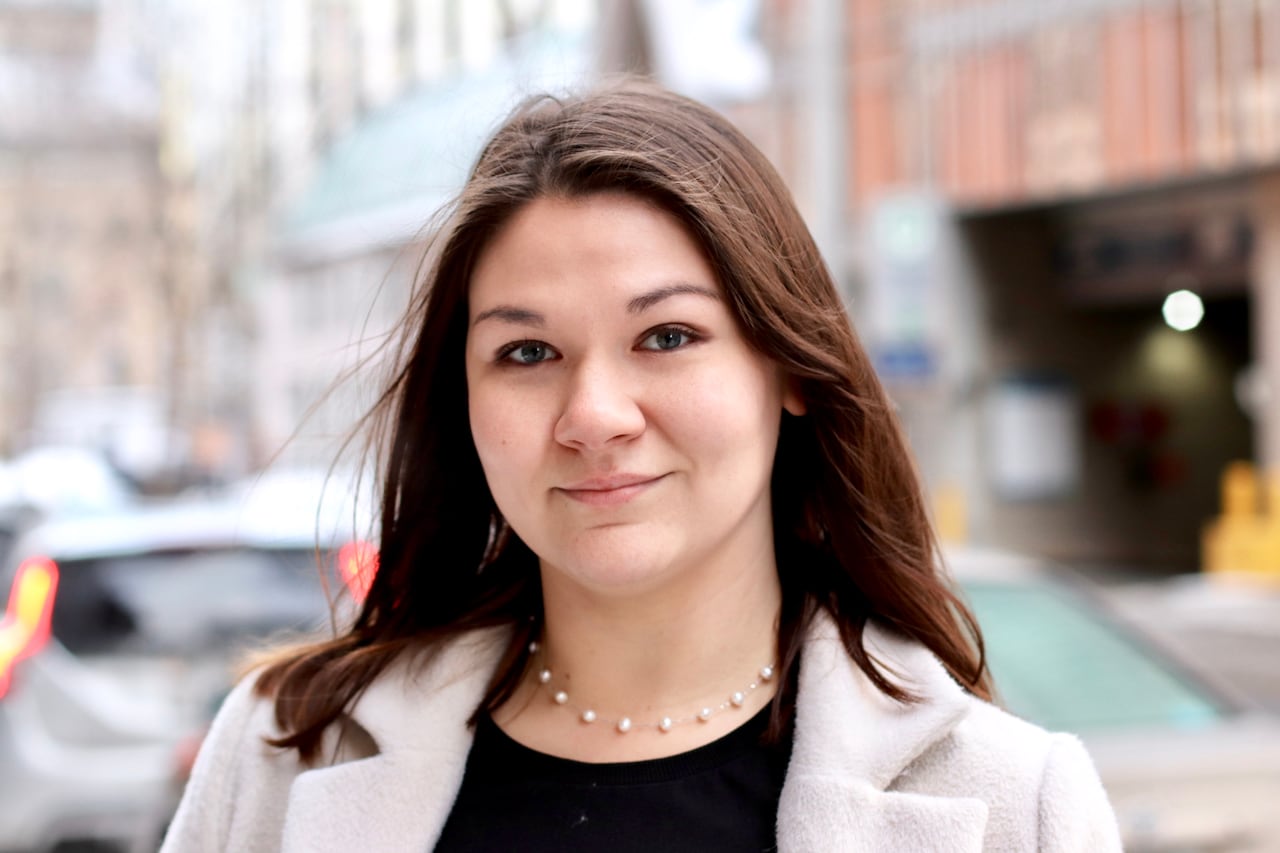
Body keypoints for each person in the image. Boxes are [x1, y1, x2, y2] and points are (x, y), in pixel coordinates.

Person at [161, 79, 1122, 852]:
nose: (594, 415)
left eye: (666, 336)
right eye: (527, 352)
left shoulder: (1015, 801)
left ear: (789, 368)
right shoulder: (286, 748)